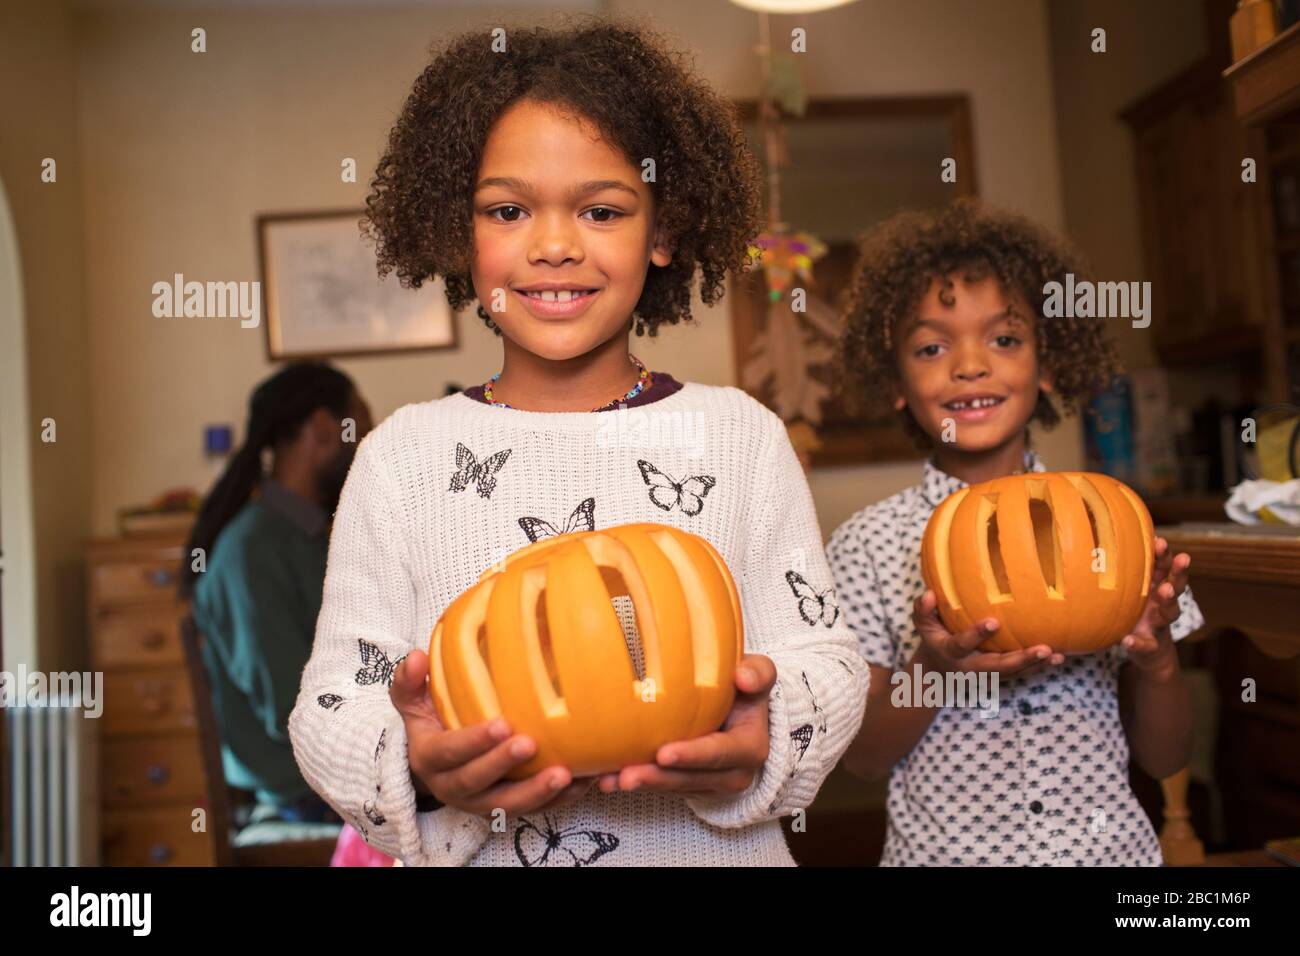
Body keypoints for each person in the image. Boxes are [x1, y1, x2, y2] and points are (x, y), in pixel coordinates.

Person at [288, 18, 868, 866]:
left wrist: (764, 732)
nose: (555, 245)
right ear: (460, 235)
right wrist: (417, 764)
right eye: (509, 209)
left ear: (663, 233)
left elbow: (824, 656)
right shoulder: (400, 459)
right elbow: (334, 702)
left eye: (601, 210)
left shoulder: (741, 437)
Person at [827, 199, 1204, 865]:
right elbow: (864, 758)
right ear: (895, 380)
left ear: (1048, 362)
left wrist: (1159, 658)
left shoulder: (1110, 524)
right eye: (932, 346)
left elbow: (1166, 755)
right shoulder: (866, 544)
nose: (970, 365)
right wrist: (936, 666)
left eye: (1004, 339)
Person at [182, 361, 372, 824]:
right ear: (325, 430)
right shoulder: (253, 550)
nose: (367, 451)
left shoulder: (305, 536)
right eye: (361, 432)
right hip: (301, 787)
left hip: (329, 772)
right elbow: (289, 707)